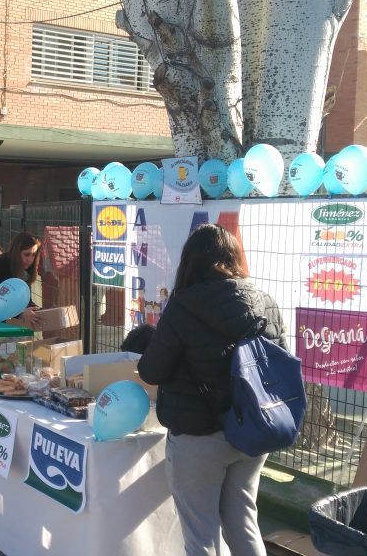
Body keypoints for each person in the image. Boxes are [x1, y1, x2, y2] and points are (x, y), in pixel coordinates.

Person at [137, 224, 286, 556]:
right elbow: (281, 360)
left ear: (189, 262)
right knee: (243, 521)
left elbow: (152, 370)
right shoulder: (265, 301)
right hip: (254, 427)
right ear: (233, 257)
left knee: (200, 535)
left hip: (199, 435)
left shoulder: (183, 305)